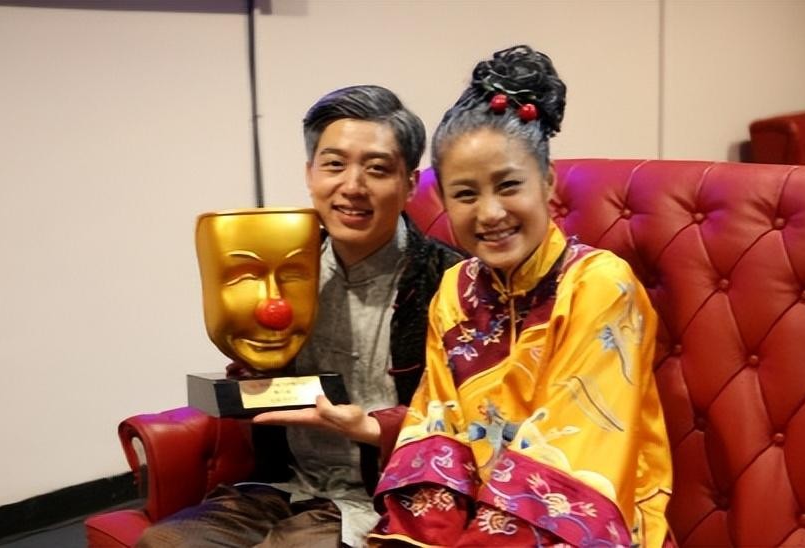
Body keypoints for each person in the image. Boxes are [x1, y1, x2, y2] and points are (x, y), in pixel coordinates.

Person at [368, 45, 673, 547]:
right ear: (442, 200)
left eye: (509, 186)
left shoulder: (598, 285)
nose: (490, 213)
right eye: (466, 194)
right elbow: (437, 437)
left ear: (547, 183)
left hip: (587, 529)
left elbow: (576, 461)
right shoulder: (454, 291)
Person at [137, 85, 462, 548]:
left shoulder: (450, 281)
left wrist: (377, 428)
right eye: (334, 164)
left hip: (389, 493)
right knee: (163, 543)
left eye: (376, 168)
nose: (352, 186)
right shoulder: (287, 269)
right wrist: (248, 374)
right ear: (310, 174)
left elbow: (472, 415)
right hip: (287, 485)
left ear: (410, 183)